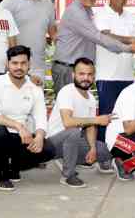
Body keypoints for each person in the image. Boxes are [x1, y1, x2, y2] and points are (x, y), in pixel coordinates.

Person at [52, 0, 135, 95]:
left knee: (79, 109)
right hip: (67, 69)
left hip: (79, 69)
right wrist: (128, 48)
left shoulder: (88, 10)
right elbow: (98, 37)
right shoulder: (76, 12)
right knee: (67, 109)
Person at [0, 45, 53, 191]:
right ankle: (2, 175)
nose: (19, 67)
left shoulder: (35, 88)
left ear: (29, 64)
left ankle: (14, 167)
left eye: (23, 63)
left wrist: (39, 136)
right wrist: (18, 126)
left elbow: (40, 117)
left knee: (48, 149)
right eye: (14, 63)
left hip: (20, 138)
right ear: (7, 64)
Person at [48, 58, 115, 188]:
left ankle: (68, 159)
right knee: (72, 132)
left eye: (89, 74)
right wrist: (97, 119)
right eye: (82, 74)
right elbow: (68, 122)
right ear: (74, 75)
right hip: (54, 142)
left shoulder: (90, 98)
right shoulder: (67, 91)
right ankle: (68, 175)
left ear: (94, 77)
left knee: (105, 150)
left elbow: (90, 127)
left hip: (73, 141)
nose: (86, 78)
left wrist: (93, 149)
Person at [94, 0, 135, 142]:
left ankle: (122, 152)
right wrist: (132, 40)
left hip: (127, 76)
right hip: (107, 76)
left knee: (125, 117)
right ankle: (101, 152)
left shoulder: (132, 17)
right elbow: (106, 36)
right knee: (106, 116)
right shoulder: (100, 14)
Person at [2, 0, 57, 81]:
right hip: (14, 67)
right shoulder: (10, 2)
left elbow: (53, 33)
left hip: (38, 68)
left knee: (36, 100)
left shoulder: (47, 3)